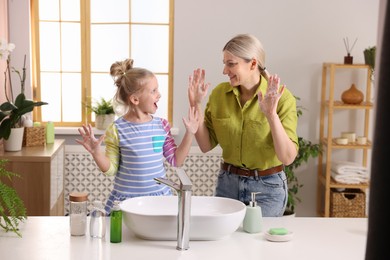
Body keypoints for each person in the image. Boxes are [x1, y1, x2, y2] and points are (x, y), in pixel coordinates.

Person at [188, 33, 298, 217]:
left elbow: (287, 157)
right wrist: (195, 104)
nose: (225, 70)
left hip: (268, 189)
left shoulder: (282, 98)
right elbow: (205, 145)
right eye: (224, 63)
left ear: (253, 64)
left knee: (259, 243)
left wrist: (271, 114)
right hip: (228, 185)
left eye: (231, 64)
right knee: (226, 243)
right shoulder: (219, 95)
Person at [77, 58, 198, 214]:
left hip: (158, 201)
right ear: (135, 99)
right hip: (126, 202)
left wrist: (190, 133)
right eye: (153, 91)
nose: (159, 94)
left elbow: (176, 160)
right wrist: (96, 153)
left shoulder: (161, 126)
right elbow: (111, 169)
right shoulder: (117, 129)